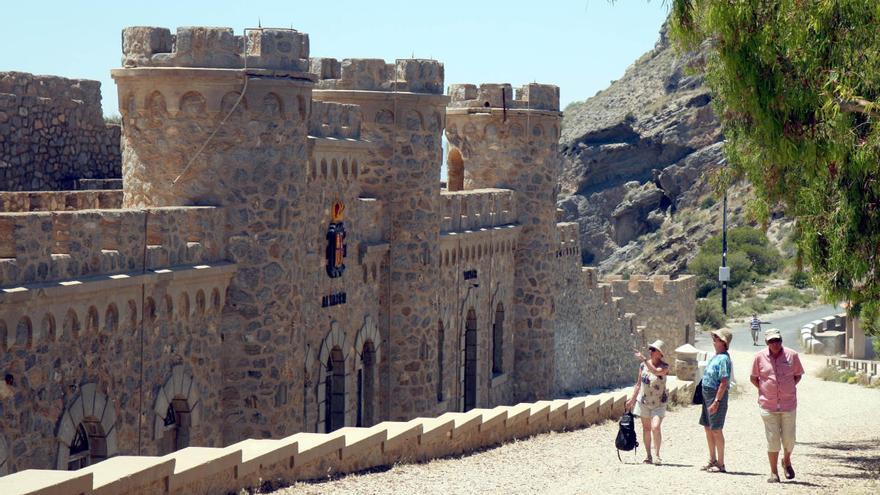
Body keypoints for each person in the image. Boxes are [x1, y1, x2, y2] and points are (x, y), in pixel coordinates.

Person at [750, 328, 804, 483]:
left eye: (778, 340)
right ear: (767, 342)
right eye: (772, 341)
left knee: (789, 439)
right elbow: (754, 378)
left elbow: (797, 375)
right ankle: (773, 473)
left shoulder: (792, 355)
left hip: (788, 404)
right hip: (768, 404)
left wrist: (786, 389)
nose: (776, 344)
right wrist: (766, 390)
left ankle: (786, 461)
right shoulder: (759, 357)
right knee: (773, 439)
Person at [625, 340, 670, 465]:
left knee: (655, 427)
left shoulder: (665, 367)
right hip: (644, 401)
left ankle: (657, 455)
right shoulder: (642, 366)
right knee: (646, 429)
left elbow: (656, 371)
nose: (651, 351)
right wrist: (632, 400)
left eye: (653, 349)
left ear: (660, 353)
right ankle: (648, 456)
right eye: (650, 349)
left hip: (659, 402)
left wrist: (644, 359)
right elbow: (639, 384)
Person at [700, 328, 732, 473]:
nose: (714, 339)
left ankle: (721, 463)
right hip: (707, 394)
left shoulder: (724, 359)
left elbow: (724, 382)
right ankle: (712, 459)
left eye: (716, 338)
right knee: (708, 427)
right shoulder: (716, 356)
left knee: (716, 429)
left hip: (715, 395)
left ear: (723, 342)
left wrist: (717, 401)